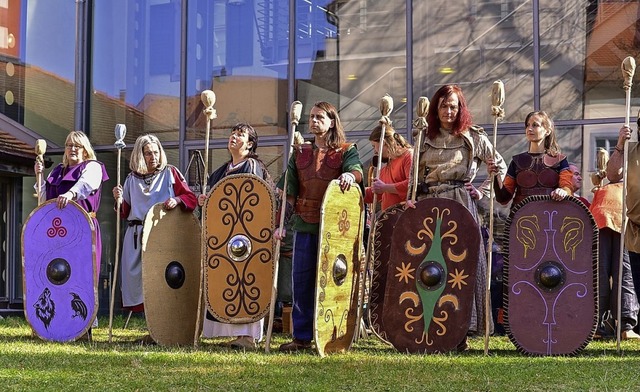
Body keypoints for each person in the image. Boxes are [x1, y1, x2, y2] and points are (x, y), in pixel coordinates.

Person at [411, 84, 507, 345]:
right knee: (429, 268)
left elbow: (499, 165)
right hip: (427, 204)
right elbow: (413, 177)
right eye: (444, 105)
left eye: (453, 105)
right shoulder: (423, 136)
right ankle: (428, 325)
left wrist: (482, 192)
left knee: (459, 267)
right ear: (436, 108)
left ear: (460, 108)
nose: (448, 110)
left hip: (460, 203)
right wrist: (411, 202)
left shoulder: (473, 137)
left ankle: (463, 328)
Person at [275, 101, 364, 351]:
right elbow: (289, 192)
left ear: (332, 121)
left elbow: (356, 171)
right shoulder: (300, 152)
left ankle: (331, 336)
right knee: (302, 282)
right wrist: (280, 224)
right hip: (304, 225)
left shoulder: (347, 151)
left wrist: (349, 175)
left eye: (319, 117)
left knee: (333, 280)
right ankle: (302, 338)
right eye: (311, 117)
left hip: (334, 230)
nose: (313, 121)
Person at [197, 123, 272, 349]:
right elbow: (216, 206)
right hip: (224, 239)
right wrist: (205, 202)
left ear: (249, 144)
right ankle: (229, 333)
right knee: (225, 281)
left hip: (248, 238)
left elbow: (256, 201)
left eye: (240, 135)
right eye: (233, 133)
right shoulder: (221, 171)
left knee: (247, 283)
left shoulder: (252, 167)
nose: (234, 137)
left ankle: (248, 337)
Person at [112, 134, 197, 323]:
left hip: (161, 233)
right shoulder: (131, 179)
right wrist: (118, 199)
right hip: (135, 236)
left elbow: (191, 199)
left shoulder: (170, 173)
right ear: (140, 156)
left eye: (156, 152)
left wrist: (176, 200)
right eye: (148, 153)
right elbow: (124, 212)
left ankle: (162, 324)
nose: (153, 157)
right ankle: (150, 324)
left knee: (160, 278)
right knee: (137, 281)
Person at [34, 131, 109, 332]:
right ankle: (59, 321)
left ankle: (84, 324)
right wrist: (39, 176)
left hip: (83, 229)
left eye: (78, 146)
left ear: (85, 150)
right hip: (58, 232)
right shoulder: (57, 171)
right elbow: (43, 200)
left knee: (82, 274)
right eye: (69, 145)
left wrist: (70, 194)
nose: (73, 149)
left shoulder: (93, 167)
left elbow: (86, 185)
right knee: (58, 274)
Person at [603, 125, 640, 339]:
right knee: (635, 283)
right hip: (635, 230)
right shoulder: (631, 151)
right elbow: (613, 175)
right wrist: (619, 145)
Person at [490, 110, 573, 206]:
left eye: (535, 125)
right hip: (522, 218)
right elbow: (503, 198)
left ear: (547, 131)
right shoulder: (517, 162)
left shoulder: (560, 160)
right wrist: (496, 176)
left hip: (551, 216)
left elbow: (568, 188)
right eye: (527, 125)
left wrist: (563, 191)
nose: (529, 129)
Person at [364, 123, 413, 211]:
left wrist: (385, 187)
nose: (375, 151)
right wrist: (354, 191)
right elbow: (375, 194)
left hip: (404, 216)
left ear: (384, 143)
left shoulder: (408, 155)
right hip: (388, 219)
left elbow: (411, 185)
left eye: (374, 146)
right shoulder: (386, 168)